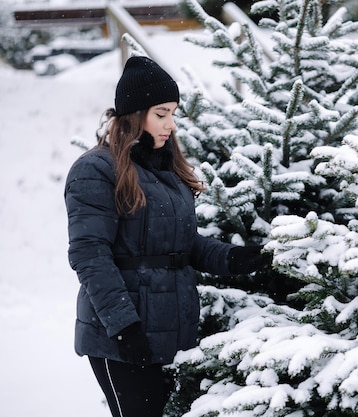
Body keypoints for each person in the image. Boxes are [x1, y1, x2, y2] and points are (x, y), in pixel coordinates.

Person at [64, 55, 271, 417]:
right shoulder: (95, 170)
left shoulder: (166, 169)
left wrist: (235, 258)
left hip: (172, 329)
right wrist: (124, 325)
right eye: (161, 114)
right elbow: (90, 254)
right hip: (121, 334)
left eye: (174, 114)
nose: (170, 125)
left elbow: (182, 245)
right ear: (133, 114)